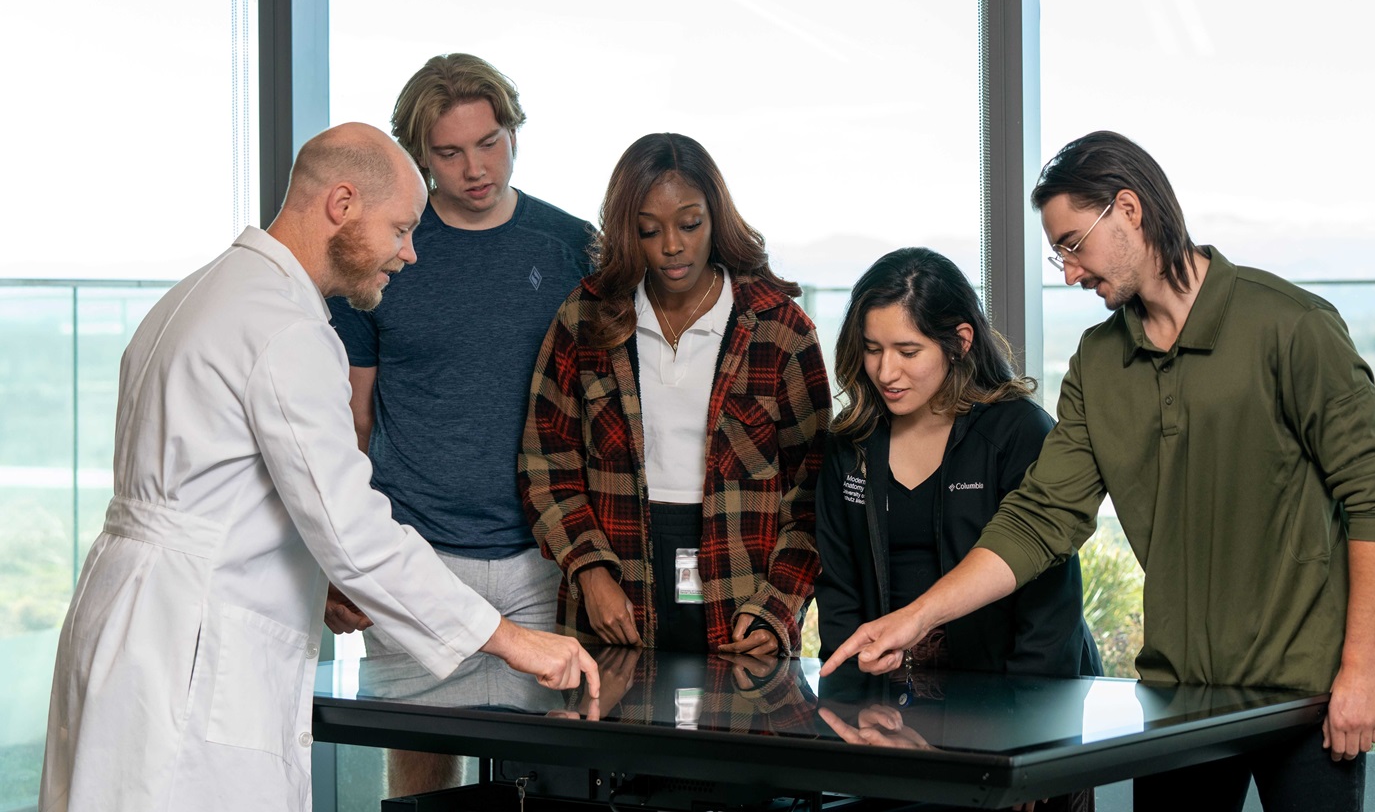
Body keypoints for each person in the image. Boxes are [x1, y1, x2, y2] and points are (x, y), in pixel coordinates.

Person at [823, 131, 1375, 812]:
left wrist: (1360, 671)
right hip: (1176, 700)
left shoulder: (1290, 326)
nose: (1069, 272)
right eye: (1059, 254)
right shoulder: (1099, 363)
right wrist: (916, 617)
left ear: (1129, 210)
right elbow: (1039, 520)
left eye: (1073, 244)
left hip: (1309, 699)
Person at [41, 124, 597, 812]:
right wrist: (514, 642)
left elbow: (220, 490)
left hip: (131, 621)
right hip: (191, 645)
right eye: (399, 228)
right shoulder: (289, 330)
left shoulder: (198, 295)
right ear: (341, 204)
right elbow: (354, 530)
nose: (409, 253)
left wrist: (315, 577)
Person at [325, 54, 593, 795]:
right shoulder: (385, 249)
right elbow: (352, 417)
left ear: (513, 132)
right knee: (423, 776)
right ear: (418, 157)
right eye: (449, 152)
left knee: (551, 782)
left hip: (547, 558)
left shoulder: (573, 247)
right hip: (416, 554)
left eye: (490, 141)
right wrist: (340, 560)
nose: (476, 166)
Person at [520, 132, 830, 656]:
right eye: (649, 229)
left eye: (689, 224)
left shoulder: (779, 328)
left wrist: (777, 609)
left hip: (741, 589)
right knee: (614, 736)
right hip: (614, 587)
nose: (672, 246)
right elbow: (546, 464)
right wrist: (590, 574)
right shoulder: (585, 317)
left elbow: (814, 493)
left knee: (729, 738)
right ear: (626, 230)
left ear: (716, 216)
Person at [815, 248, 1099, 812]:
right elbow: (840, 593)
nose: (885, 371)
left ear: (960, 341)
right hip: (890, 725)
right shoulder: (849, 446)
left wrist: (1028, 749)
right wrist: (849, 712)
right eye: (872, 350)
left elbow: (1050, 609)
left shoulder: (1018, 432)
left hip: (1014, 718)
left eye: (907, 351)